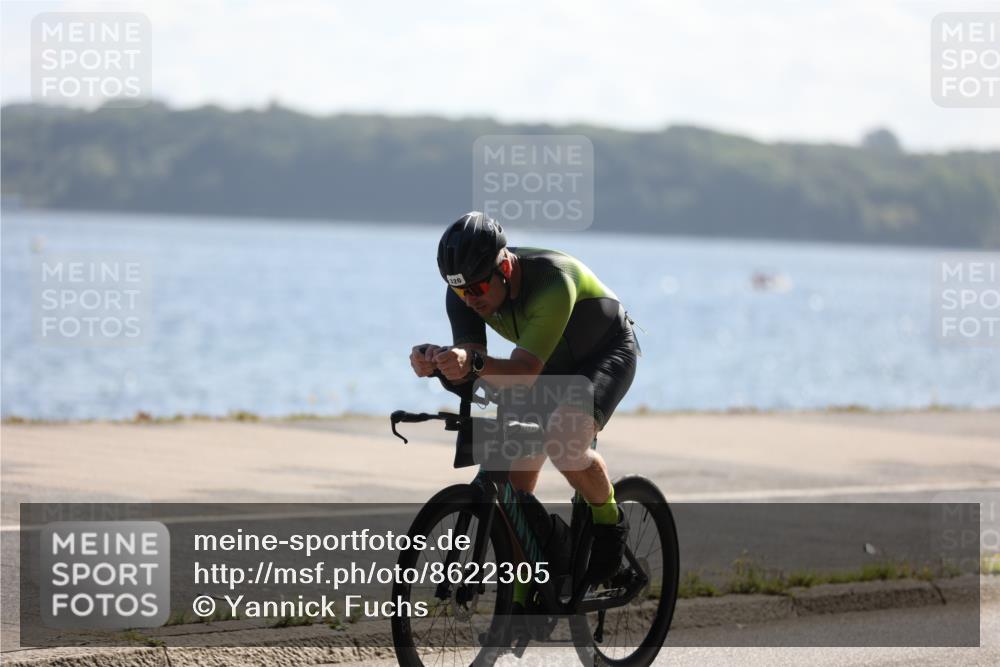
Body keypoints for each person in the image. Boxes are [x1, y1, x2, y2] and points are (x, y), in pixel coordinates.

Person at [409, 211, 639, 594]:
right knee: (507, 485)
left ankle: (609, 520)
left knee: (565, 444)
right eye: (461, 291)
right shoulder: (464, 291)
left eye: (478, 289)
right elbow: (475, 368)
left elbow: (524, 370)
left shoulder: (552, 280)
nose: (470, 300)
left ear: (505, 266)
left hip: (602, 355)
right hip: (543, 362)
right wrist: (438, 364)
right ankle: (523, 595)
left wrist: (475, 364)